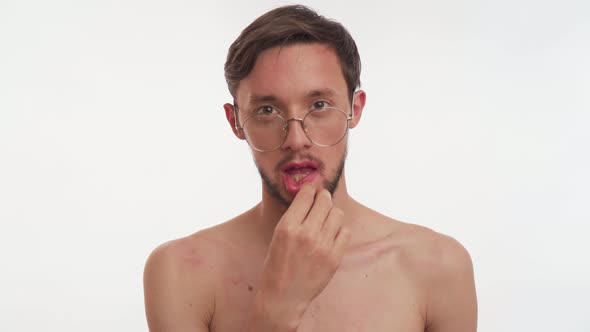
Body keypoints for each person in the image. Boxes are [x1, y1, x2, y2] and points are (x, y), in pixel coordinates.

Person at [143, 4, 477, 332]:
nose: (297, 139)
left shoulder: (438, 267)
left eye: (319, 105)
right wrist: (276, 309)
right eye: (267, 110)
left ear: (355, 109)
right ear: (236, 123)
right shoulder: (181, 272)